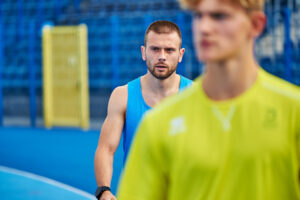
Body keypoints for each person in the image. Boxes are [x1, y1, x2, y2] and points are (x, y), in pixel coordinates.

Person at [117, 0, 300, 199]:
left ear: (256, 24)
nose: (204, 27)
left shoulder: (293, 111)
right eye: (198, 16)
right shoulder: (157, 123)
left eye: (219, 16)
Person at [94, 20, 193, 200]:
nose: (162, 56)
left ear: (180, 54)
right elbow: (106, 149)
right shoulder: (122, 95)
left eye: (169, 50)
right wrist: (104, 190)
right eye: (155, 49)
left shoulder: (196, 96)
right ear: (143, 52)